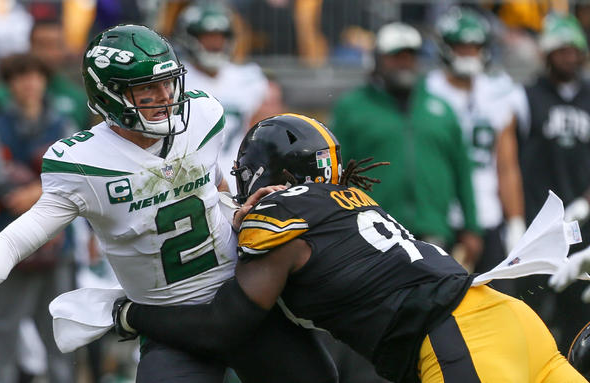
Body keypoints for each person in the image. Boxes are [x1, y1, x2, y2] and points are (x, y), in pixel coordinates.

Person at [0, 25, 337, 383]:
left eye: (169, 84)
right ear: (108, 95)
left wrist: (233, 208)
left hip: (242, 295)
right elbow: (17, 239)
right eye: (147, 90)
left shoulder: (202, 116)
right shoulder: (85, 164)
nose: (166, 99)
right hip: (170, 323)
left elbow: (211, 183)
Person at [111, 113, 586, 383]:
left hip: (460, 342)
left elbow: (221, 327)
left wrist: (131, 315)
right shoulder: (352, 203)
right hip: (511, 321)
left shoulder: (279, 220)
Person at [331, 22, 482, 267]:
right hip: (372, 231)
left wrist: (472, 226)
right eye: (395, 56)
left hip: (433, 229)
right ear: (377, 60)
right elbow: (334, 174)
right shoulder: (352, 108)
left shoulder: (441, 108)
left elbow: (462, 171)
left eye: (409, 56)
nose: (404, 62)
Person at [0, 52, 77, 383]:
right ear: (10, 84)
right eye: (21, 77)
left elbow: (78, 176)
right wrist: (39, 188)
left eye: (35, 76)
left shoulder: (62, 122)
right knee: (0, 340)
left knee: (62, 339)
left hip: (56, 247)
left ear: (45, 80)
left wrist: (36, 190)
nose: (29, 83)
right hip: (10, 247)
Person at [425, 7, 525, 286]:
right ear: (446, 47)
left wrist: (515, 220)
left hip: (488, 214)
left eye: (475, 46)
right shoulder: (427, 93)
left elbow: (506, 164)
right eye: (461, 46)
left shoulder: (499, 92)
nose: (468, 53)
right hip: (441, 215)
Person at [517, 13, 590, 351]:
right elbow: (508, 161)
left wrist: (586, 202)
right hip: (539, 226)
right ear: (547, 53)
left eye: (574, 49)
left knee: (579, 320)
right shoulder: (525, 96)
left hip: (583, 228)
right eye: (561, 50)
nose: (569, 56)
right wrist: (515, 219)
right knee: (534, 318)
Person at [174, 2, 269, 190]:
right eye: (207, 37)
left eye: (220, 37)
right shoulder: (175, 80)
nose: (215, 44)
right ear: (189, 37)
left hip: (239, 177)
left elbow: (263, 135)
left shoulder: (250, 78)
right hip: (193, 179)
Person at [0, 18, 89, 131]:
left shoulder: (79, 97)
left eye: (55, 45)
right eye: (42, 45)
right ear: (30, 46)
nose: (48, 53)